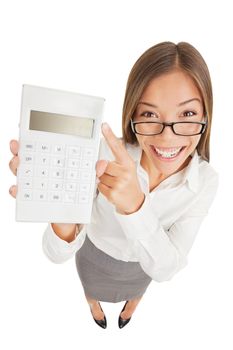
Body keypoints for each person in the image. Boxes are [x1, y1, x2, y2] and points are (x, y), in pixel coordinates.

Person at [9, 41, 219, 329]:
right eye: (149, 115)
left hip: (142, 267)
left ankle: (129, 308)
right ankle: (93, 307)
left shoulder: (206, 181)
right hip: (94, 253)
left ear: (206, 114)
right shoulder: (105, 153)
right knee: (91, 289)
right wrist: (61, 208)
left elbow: (165, 268)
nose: (168, 137)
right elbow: (55, 253)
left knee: (136, 293)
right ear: (131, 115)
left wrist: (135, 206)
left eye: (187, 114)